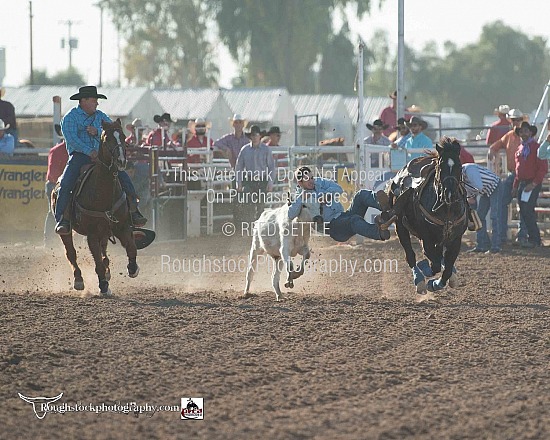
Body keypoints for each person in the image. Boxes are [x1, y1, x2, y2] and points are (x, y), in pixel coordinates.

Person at [54, 85, 147, 235]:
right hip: (80, 156)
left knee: (123, 177)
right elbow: (72, 140)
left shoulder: (101, 116)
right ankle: (62, 219)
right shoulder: (70, 118)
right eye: (94, 100)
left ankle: (133, 212)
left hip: (102, 156)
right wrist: (89, 151)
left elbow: (114, 131)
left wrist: (97, 132)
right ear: (83, 101)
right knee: (66, 183)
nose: (97, 103)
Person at [288, 166, 391, 242]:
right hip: (333, 227)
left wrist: (327, 194)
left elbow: (339, 189)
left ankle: (386, 205)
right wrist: (301, 198)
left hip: (342, 216)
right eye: (307, 179)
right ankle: (379, 232)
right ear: (300, 183)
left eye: (311, 178)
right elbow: (290, 214)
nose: (311, 181)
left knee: (361, 194)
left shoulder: (319, 182)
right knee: (354, 220)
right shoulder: (299, 196)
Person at [488, 108, 525, 245]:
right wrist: (492, 151)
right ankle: (503, 234)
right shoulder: (509, 136)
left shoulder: (525, 136)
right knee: (503, 202)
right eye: (514, 120)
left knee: (522, 205)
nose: (516, 122)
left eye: (518, 119)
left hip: (522, 175)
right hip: (513, 174)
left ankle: (521, 235)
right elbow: (495, 146)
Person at [511, 122, 548, 248]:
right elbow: (518, 170)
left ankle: (535, 239)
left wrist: (534, 183)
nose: (523, 134)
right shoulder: (520, 149)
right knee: (524, 211)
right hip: (523, 182)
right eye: (521, 132)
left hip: (532, 182)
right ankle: (532, 238)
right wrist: (515, 186)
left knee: (528, 210)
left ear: (531, 132)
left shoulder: (537, 147)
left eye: (526, 131)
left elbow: (542, 168)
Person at [235, 125, 276, 223]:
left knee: (260, 205)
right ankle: (250, 225)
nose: (254, 137)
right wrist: (239, 182)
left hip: (262, 180)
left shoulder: (266, 150)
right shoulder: (245, 150)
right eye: (253, 135)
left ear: (260, 136)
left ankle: (258, 226)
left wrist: (270, 183)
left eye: (256, 135)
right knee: (248, 203)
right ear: (251, 136)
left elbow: (271, 167)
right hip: (249, 179)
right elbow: (239, 167)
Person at [462, 163, 502, 253]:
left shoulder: (469, 170)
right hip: (487, 189)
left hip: (494, 186)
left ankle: (496, 246)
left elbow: (478, 186)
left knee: (494, 216)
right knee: (479, 217)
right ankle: (482, 244)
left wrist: (470, 196)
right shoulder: (464, 175)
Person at [44, 124, 69, 245]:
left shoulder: (57, 150)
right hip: (55, 185)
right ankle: (49, 241)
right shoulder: (57, 150)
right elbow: (53, 175)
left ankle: (49, 241)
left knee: (55, 212)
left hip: (62, 184)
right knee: (53, 211)